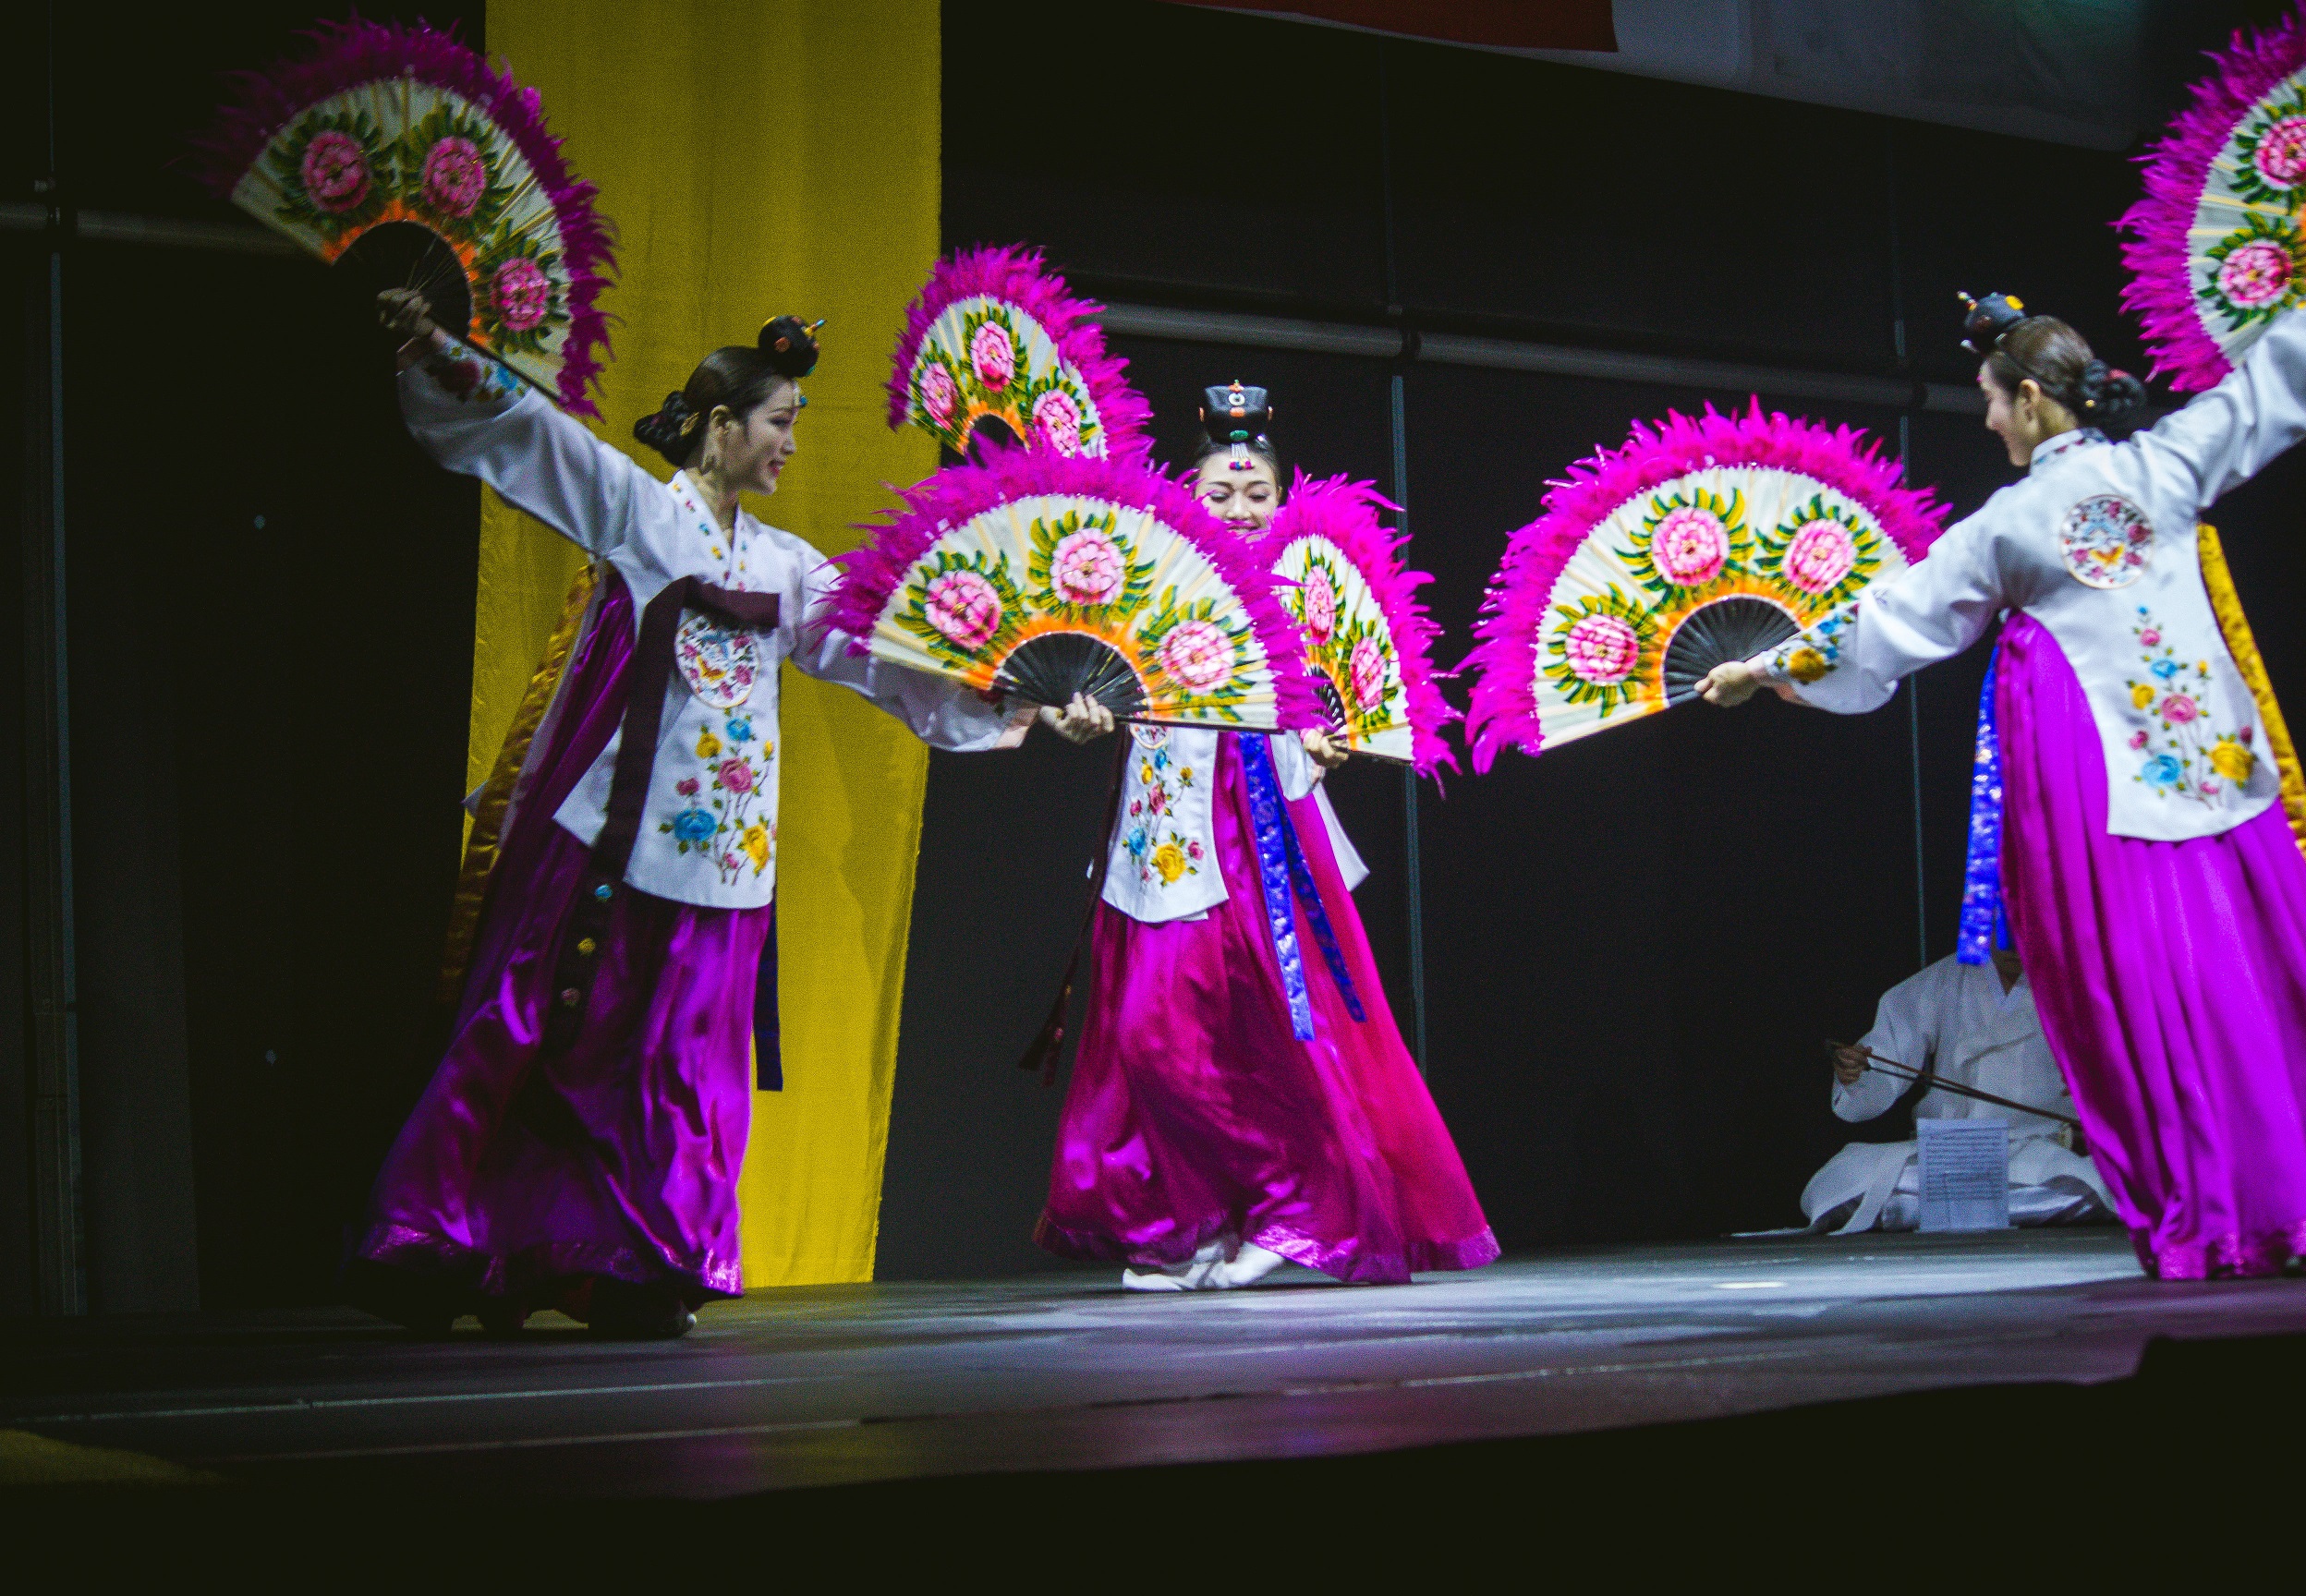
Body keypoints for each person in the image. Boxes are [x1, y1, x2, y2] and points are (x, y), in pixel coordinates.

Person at [350, 289, 1098, 1336]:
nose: (790, 444)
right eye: (780, 422)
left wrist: (1018, 694)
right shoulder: (642, 514)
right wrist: (433, 347)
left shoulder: (790, 569)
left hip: (724, 862)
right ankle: (445, 1238)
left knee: (686, 1071)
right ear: (718, 426)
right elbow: (533, 438)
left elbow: (888, 657)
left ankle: (645, 1263)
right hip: (607, 836)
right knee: (536, 1035)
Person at [1703, 197, 2306, 1279]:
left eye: (1989, 404)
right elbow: (2279, 388)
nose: (1985, 426)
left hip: (2097, 790)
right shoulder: (2168, 464)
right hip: (2209, 766)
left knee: (2138, 996)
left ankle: (2212, 1206)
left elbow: (1890, 624)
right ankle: (2298, 1199)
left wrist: (1763, 667)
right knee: (2237, 977)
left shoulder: (2009, 525)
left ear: (2029, 399)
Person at [1033, 384, 1499, 1289]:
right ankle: (1194, 1219)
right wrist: (1079, 715)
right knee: (1146, 1033)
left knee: (1271, 1033)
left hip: (1258, 834)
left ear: (1282, 500)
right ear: (1186, 494)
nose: (1241, 510)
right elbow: (1094, 692)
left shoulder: (1300, 590)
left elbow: (1331, 708)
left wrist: (1327, 734)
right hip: (1159, 830)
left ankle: (1289, 1211)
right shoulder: (1142, 582)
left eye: (1257, 495)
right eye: (1220, 495)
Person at [1803, 949, 2111, 1233]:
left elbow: (2121, 1062)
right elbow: (1885, 1061)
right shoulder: (1946, 979)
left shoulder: (2078, 983)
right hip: (1951, 1153)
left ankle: (1919, 1209)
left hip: (2037, 1152)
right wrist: (1856, 1073)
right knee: (1839, 1179)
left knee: (2104, 1182)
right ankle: (1985, 1206)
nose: (2013, 945)